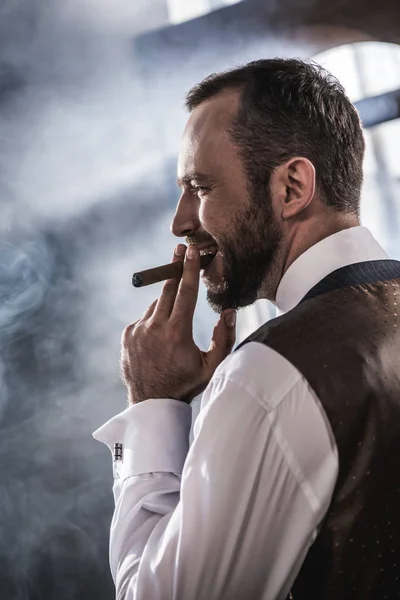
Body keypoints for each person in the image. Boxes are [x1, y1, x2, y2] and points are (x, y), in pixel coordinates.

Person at [93, 59, 400, 599]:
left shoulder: (267, 378)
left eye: (200, 187)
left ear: (291, 187)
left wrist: (152, 406)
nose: (181, 222)